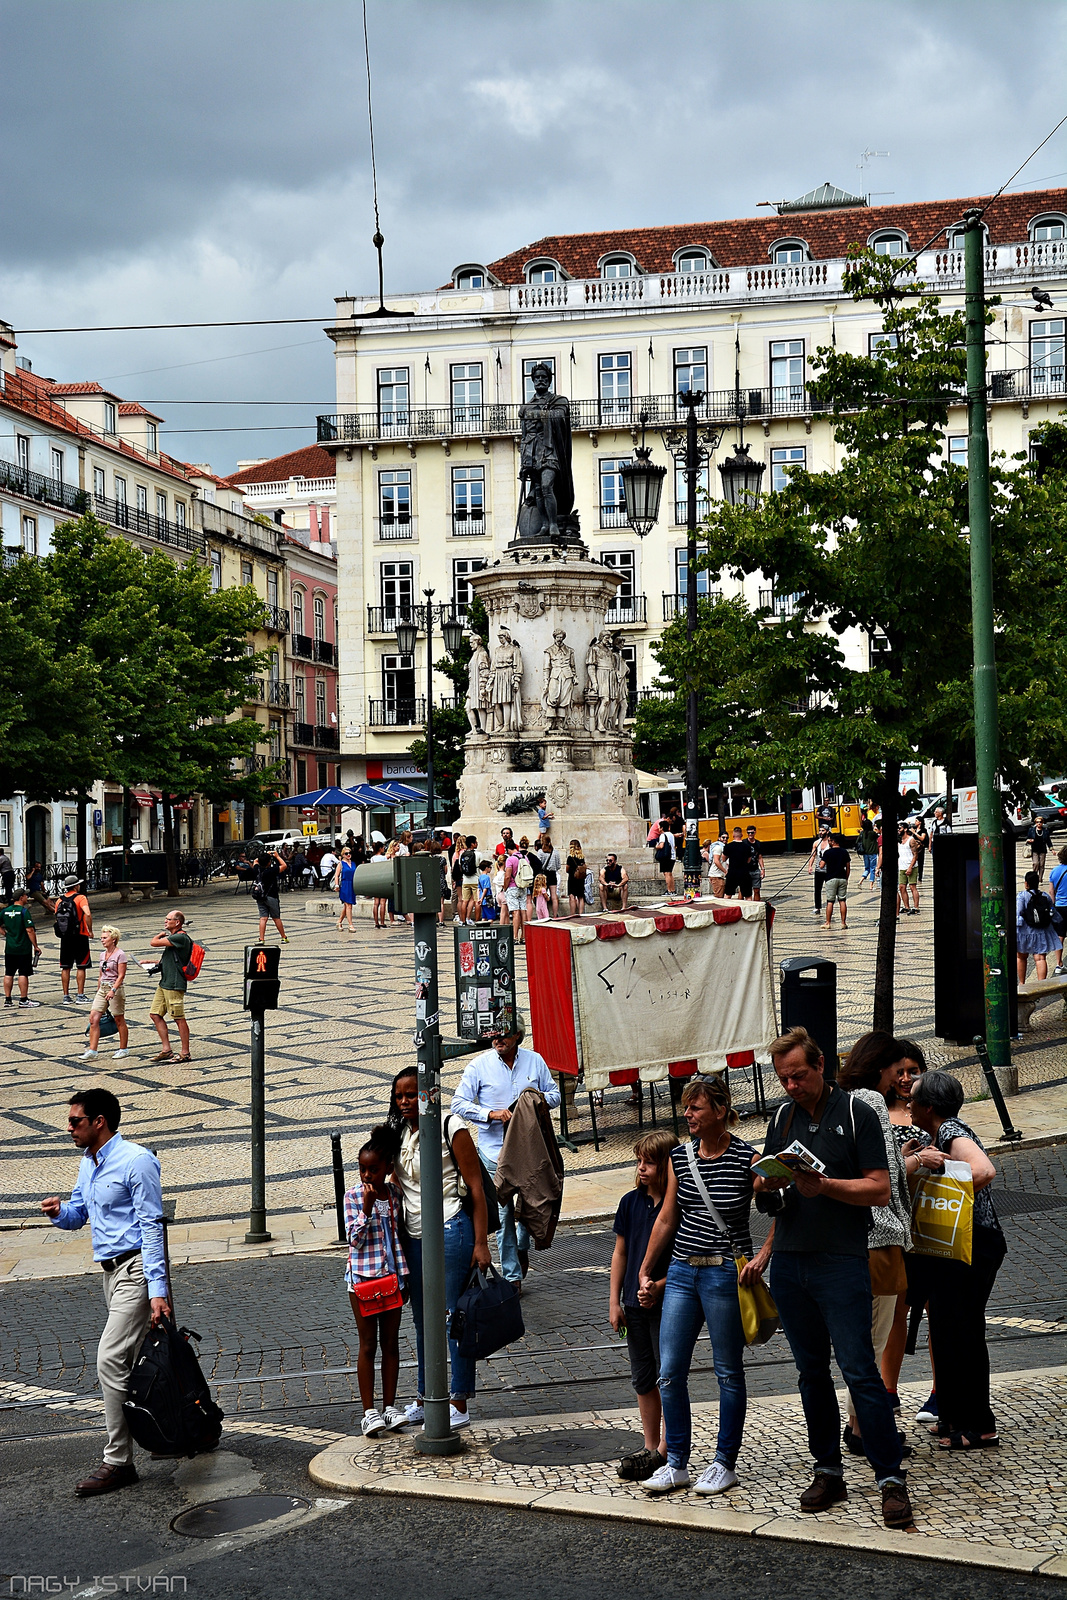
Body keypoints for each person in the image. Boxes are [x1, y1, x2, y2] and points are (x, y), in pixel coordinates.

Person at [754, 1027, 913, 1529]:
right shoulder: (782, 1117)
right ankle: (828, 1470)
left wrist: (824, 1187)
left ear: (821, 1065)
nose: (791, 1086)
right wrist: (767, 1185)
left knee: (859, 1370)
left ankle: (890, 1479)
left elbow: (880, 1190)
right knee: (809, 1375)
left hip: (843, 1261)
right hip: (792, 1262)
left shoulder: (857, 1113)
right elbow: (774, 1192)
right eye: (783, 1078)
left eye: (799, 1075)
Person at [636, 1075, 769, 1497]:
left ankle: (724, 1463)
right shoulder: (679, 1155)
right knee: (670, 1372)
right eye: (686, 1107)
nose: (688, 1115)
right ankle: (676, 1463)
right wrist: (646, 1269)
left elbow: (785, 1207)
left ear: (719, 1109)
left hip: (724, 1274)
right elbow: (668, 1217)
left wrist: (765, 1256)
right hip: (680, 1272)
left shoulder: (748, 1158)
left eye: (695, 1107)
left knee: (727, 1371)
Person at [41, 1088, 170, 1496]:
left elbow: (152, 1226)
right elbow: (80, 1214)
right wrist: (60, 1212)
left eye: (75, 1120)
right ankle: (193, 1429)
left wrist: (158, 1291)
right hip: (110, 1274)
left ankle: (118, 1462)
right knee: (147, 1359)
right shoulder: (87, 1163)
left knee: (110, 1359)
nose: (69, 1127)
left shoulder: (136, 1160)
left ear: (100, 1121)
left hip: (136, 1271)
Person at [907, 1070, 1006, 1450]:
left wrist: (947, 1182)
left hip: (972, 1244)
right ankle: (952, 1415)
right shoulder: (934, 1135)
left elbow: (983, 1170)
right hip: (951, 1246)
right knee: (946, 1326)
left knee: (963, 1329)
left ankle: (978, 1425)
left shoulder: (950, 1130)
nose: (909, 1105)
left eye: (914, 1100)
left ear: (929, 1106)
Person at [387, 1068, 491, 1430]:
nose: (405, 1102)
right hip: (414, 1237)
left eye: (412, 1094)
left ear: (428, 1093)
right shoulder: (399, 1132)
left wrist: (481, 1243)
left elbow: (476, 1187)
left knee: (452, 1319)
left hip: (451, 1231)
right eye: (399, 1096)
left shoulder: (452, 1126)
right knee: (421, 1322)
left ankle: (458, 1401)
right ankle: (425, 1396)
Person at [834, 1035, 914, 1457]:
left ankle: (857, 1424)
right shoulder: (872, 1101)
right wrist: (913, 1159)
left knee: (859, 1340)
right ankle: (863, 1429)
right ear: (880, 1067)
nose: (899, 1078)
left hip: (846, 1240)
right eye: (896, 1069)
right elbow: (885, 1169)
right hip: (879, 1237)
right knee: (872, 1341)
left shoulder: (842, 1098)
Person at [451, 1017, 561, 1284]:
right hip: (493, 1154)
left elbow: (555, 1094)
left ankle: (522, 1247)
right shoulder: (479, 1066)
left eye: (505, 1034)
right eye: (494, 1034)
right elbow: (458, 1103)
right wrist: (490, 1114)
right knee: (502, 1216)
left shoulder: (534, 1061)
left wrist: (535, 1103)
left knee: (529, 1207)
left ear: (518, 1036)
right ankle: (513, 1277)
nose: (498, 1039)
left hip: (529, 1153)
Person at [610, 1129, 677, 1482]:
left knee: (667, 1375)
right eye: (639, 1162)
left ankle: (668, 1447)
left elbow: (685, 1260)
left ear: (667, 1166)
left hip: (666, 1304)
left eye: (650, 1162)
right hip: (633, 1306)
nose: (642, 1168)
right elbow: (620, 1252)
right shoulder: (629, 1203)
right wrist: (614, 1300)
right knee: (643, 1378)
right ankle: (652, 1446)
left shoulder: (676, 1206)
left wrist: (659, 1287)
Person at [343, 1124, 409, 1438]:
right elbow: (353, 1240)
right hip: (363, 1280)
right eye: (362, 1169)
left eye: (373, 1170)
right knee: (368, 1344)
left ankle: (390, 1406)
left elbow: (398, 1238)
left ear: (387, 1169)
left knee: (391, 1344)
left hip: (391, 1278)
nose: (367, 1175)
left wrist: (403, 1278)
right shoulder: (353, 1196)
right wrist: (367, 1211)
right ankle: (369, 1411)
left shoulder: (394, 1194)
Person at [143, 909, 193, 1065]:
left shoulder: (180, 937)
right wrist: (151, 963)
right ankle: (166, 1050)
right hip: (164, 982)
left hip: (174, 983)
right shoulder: (174, 938)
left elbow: (153, 943)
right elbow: (170, 960)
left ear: (177, 922)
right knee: (155, 1014)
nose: (165, 921)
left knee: (178, 1018)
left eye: (168, 919)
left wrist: (159, 935)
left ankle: (185, 1053)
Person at [82, 924, 129, 1059]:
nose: (102, 940)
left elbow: (121, 976)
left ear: (113, 939)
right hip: (103, 989)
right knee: (93, 1018)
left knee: (119, 1019)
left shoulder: (120, 954)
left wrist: (113, 990)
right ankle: (92, 1050)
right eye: (101, 938)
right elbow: (101, 974)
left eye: (105, 937)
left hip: (115, 988)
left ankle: (123, 1048)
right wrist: (99, 990)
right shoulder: (102, 954)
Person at [1, 887, 41, 1009]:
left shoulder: (5, 911)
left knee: (9, 973)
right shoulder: (24, 912)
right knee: (23, 973)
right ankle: (23, 999)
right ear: (21, 897)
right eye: (25, 896)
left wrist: (6, 934)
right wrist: (35, 946)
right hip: (23, 948)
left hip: (10, 948)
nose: (27, 898)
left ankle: (8, 999)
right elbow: (30, 930)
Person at [57, 874, 93, 1004]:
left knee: (65, 967)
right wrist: (90, 929)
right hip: (80, 934)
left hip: (65, 937)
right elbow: (87, 913)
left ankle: (66, 996)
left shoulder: (59, 900)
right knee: (81, 966)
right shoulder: (80, 898)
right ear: (76, 886)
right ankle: (80, 995)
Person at [1017, 869, 1058, 982]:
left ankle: (1022, 984)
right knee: (1040, 959)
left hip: (1024, 932)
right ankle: (1040, 987)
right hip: (1041, 931)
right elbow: (1052, 911)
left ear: (1026, 883)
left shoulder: (1022, 896)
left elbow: (1019, 913)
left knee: (1021, 957)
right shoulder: (1044, 895)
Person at [254, 847, 289, 943]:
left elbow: (255, 861)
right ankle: (283, 937)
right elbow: (284, 865)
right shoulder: (272, 871)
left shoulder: (257, 869)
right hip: (272, 896)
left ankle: (261, 939)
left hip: (260, 896)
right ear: (269, 862)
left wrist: (264, 856)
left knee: (263, 918)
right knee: (276, 917)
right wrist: (277, 856)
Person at [821, 833, 851, 929]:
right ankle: (843, 922)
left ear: (833, 841)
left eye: (829, 840)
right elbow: (848, 868)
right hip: (842, 877)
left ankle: (828, 923)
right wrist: (846, 878)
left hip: (831, 878)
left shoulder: (828, 853)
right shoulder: (844, 852)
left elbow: (821, 865)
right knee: (842, 900)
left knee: (830, 901)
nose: (828, 842)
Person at [805, 825, 832, 920]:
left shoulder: (831, 843)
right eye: (820, 830)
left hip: (829, 869)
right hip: (819, 869)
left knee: (830, 889)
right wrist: (810, 866)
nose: (821, 832)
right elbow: (813, 855)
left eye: (823, 830)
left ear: (827, 831)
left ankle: (830, 906)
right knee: (817, 889)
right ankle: (817, 907)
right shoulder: (816, 843)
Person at [1049, 844, 1067, 976]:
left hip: (1059, 907)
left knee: (1060, 935)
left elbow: (1051, 892)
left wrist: (1052, 907)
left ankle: (1058, 963)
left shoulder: (1054, 871)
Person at [722, 827, 753, 900]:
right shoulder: (747, 847)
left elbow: (723, 859)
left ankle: (726, 909)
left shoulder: (728, 846)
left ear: (733, 835)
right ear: (742, 835)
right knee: (748, 895)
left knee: (728, 894)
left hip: (732, 872)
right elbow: (749, 860)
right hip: (744, 872)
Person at [456, 835, 481, 926]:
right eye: (476, 842)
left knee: (464, 901)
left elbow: (460, 866)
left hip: (465, 880)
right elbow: (480, 866)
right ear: (472, 844)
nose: (477, 843)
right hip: (476, 880)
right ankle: (478, 921)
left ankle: (463, 920)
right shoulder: (478, 854)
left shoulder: (462, 854)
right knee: (477, 901)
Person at [896, 823, 920, 916]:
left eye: (900, 828)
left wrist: (910, 867)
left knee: (912, 886)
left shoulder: (911, 840)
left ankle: (916, 907)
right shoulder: (899, 840)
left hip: (911, 866)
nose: (898, 830)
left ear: (905, 829)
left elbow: (915, 855)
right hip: (902, 866)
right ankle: (906, 906)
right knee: (902, 887)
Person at [333, 846, 357, 932]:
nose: (348, 855)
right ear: (343, 855)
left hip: (352, 884)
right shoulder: (341, 864)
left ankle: (339, 921)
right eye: (346, 853)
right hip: (344, 885)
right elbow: (337, 875)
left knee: (347, 905)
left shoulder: (353, 863)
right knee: (348, 905)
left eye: (349, 853)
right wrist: (336, 885)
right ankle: (350, 925)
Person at [539, 833, 561, 917]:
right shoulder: (555, 852)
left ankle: (544, 914)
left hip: (544, 874)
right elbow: (558, 865)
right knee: (554, 895)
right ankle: (555, 915)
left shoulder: (541, 852)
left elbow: (539, 864)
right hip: (552, 874)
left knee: (542, 894)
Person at [566, 840, 588, 916]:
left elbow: (567, 869)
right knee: (580, 897)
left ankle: (573, 914)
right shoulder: (582, 858)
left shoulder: (570, 858)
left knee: (572, 896)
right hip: (581, 879)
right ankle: (581, 914)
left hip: (572, 878)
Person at [1028, 815, 1052, 882]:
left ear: (1043, 823)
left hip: (1042, 850)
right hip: (1034, 850)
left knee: (1041, 865)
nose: (1039, 823)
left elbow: (1048, 841)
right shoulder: (1032, 830)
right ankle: (1035, 876)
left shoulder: (1045, 831)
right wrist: (1029, 840)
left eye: (1040, 822)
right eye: (1037, 822)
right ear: (1035, 823)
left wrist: (1051, 849)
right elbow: (1027, 838)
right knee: (1035, 863)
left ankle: (1040, 878)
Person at [856, 818, 879, 889]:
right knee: (872, 868)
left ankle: (860, 881)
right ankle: (871, 885)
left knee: (867, 868)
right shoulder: (873, 833)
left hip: (865, 853)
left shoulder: (862, 833)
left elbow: (857, 842)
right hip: (872, 853)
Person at [744, 826, 765, 902]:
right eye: (748, 833)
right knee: (743, 890)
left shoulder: (758, 843)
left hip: (755, 869)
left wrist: (762, 869)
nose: (750, 834)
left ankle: (757, 905)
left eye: (752, 832)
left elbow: (760, 857)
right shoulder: (744, 843)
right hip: (746, 870)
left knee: (757, 890)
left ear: (755, 832)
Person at [653, 825, 676, 895]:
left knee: (666, 874)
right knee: (670, 873)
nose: (659, 828)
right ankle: (673, 890)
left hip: (666, 857)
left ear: (662, 828)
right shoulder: (671, 835)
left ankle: (669, 890)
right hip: (672, 856)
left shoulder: (663, 835)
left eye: (660, 827)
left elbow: (661, 845)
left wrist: (656, 846)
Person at [708, 830, 728, 898]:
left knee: (720, 896)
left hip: (719, 875)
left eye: (727, 838)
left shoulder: (723, 847)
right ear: (719, 838)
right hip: (716, 875)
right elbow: (716, 861)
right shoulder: (718, 847)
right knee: (718, 896)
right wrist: (725, 871)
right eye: (723, 837)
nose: (725, 839)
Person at [911, 817, 931, 884]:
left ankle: (920, 878)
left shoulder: (923, 830)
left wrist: (915, 833)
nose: (915, 822)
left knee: (920, 862)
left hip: (920, 848)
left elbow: (922, 838)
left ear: (920, 822)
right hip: (914, 848)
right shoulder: (914, 829)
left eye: (916, 821)